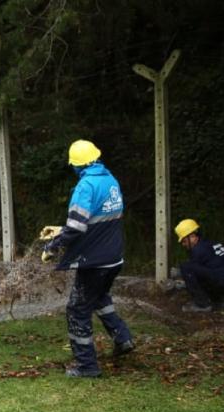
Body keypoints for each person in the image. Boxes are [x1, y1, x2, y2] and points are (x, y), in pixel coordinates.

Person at [40, 140, 135, 378]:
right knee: (100, 297)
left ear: (77, 165)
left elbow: (76, 228)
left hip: (94, 262)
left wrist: (53, 245)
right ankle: (123, 338)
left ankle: (86, 366)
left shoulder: (86, 186)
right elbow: (96, 220)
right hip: (114, 258)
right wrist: (63, 229)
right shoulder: (110, 181)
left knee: (77, 309)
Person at [174, 218, 224, 312]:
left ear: (192, 236)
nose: (183, 244)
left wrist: (180, 277)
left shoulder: (198, 250)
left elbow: (194, 275)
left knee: (186, 267)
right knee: (198, 270)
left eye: (184, 241)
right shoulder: (210, 243)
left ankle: (202, 304)